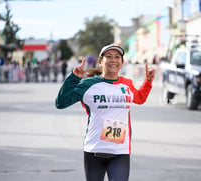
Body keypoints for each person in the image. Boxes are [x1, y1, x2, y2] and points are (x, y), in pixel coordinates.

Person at [55, 44, 155, 181]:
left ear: (122, 62)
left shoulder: (127, 84)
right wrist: (73, 78)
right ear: (100, 61)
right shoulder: (87, 85)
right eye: (108, 56)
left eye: (117, 57)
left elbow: (140, 98)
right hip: (94, 150)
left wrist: (148, 81)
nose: (113, 60)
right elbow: (61, 103)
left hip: (120, 151)